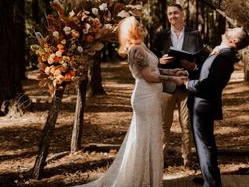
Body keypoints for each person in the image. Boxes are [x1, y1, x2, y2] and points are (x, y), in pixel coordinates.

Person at [76, 16, 187, 187]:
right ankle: (140, 179)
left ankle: (148, 177)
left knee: (151, 137)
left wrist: (174, 72)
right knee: (144, 139)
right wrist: (173, 80)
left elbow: (154, 68)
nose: (142, 26)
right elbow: (149, 76)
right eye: (138, 24)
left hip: (152, 98)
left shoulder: (141, 46)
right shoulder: (135, 50)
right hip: (145, 98)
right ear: (131, 30)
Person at [185, 27, 249, 187]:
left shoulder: (224, 57)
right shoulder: (220, 53)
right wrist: (192, 69)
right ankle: (209, 177)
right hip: (200, 103)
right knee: (204, 143)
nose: (227, 28)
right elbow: (205, 74)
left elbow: (210, 85)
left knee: (204, 145)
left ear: (234, 41)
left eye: (232, 30)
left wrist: (186, 83)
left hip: (203, 105)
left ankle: (212, 183)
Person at [152, 3, 204, 169]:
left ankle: (187, 159)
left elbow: (201, 59)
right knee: (163, 126)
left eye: (175, 13)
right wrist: (159, 61)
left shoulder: (194, 34)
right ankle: (161, 158)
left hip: (186, 86)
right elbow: (151, 60)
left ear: (182, 14)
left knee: (186, 125)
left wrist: (193, 67)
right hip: (166, 86)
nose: (172, 16)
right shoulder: (161, 36)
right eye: (169, 14)